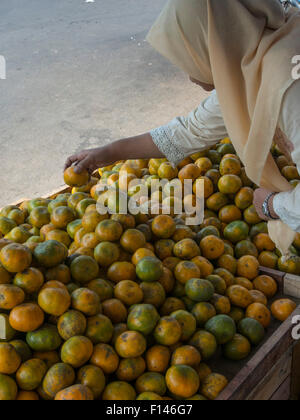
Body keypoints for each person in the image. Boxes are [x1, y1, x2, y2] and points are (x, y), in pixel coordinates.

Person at [65, 0, 300, 237]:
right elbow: (190, 131)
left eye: (189, 58)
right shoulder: (255, 63)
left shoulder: (288, 83)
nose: (189, 76)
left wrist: (273, 205)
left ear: (212, 43)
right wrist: (107, 153)